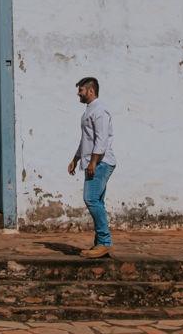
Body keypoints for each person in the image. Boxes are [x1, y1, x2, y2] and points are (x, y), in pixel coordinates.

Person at [68, 76, 116, 258]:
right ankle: (100, 243)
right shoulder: (89, 111)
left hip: (101, 163)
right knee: (98, 202)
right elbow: (86, 139)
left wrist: (93, 162)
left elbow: (101, 139)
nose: (78, 94)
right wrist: (76, 158)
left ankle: (104, 242)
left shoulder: (100, 111)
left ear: (90, 91)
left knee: (91, 199)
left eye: (80, 90)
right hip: (94, 161)